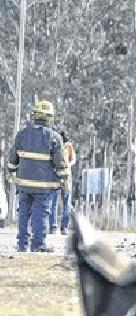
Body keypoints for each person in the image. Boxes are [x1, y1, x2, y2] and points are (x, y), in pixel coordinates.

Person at [6, 100, 69, 252]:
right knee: (40, 213)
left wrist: (13, 175)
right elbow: (60, 164)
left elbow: (12, 161)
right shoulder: (54, 138)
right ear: (49, 118)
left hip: (24, 185)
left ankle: (22, 244)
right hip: (43, 186)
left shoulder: (21, 134)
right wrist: (64, 180)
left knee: (23, 213)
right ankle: (38, 244)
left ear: (34, 115)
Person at [48, 130, 76, 234]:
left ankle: (64, 227)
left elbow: (73, 159)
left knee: (66, 201)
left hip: (66, 176)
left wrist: (68, 164)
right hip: (55, 175)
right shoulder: (53, 145)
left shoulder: (68, 146)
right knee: (52, 201)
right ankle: (52, 226)